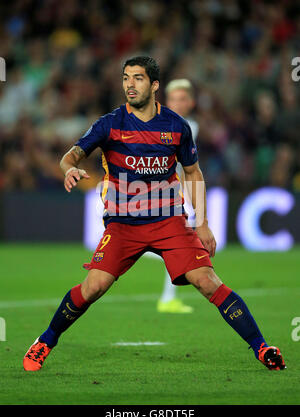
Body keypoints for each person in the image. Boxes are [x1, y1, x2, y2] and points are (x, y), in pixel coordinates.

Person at [23, 56, 286, 372]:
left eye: (137, 78)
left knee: (208, 282)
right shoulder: (110, 123)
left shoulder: (176, 126)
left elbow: (193, 172)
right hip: (123, 224)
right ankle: (44, 342)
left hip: (168, 221)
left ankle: (262, 348)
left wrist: (201, 222)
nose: (129, 85)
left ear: (154, 84)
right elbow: (71, 156)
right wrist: (69, 168)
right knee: (93, 287)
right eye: (125, 78)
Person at [157, 78, 199, 313]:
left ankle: (167, 298)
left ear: (191, 102)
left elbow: (186, 167)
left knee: (177, 243)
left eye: (182, 99)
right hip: (154, 192)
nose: (177, 103)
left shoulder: (189, 126)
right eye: (173, 99)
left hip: (172, 193)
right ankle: (167, 299)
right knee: (176, 243)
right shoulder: (159, 123)